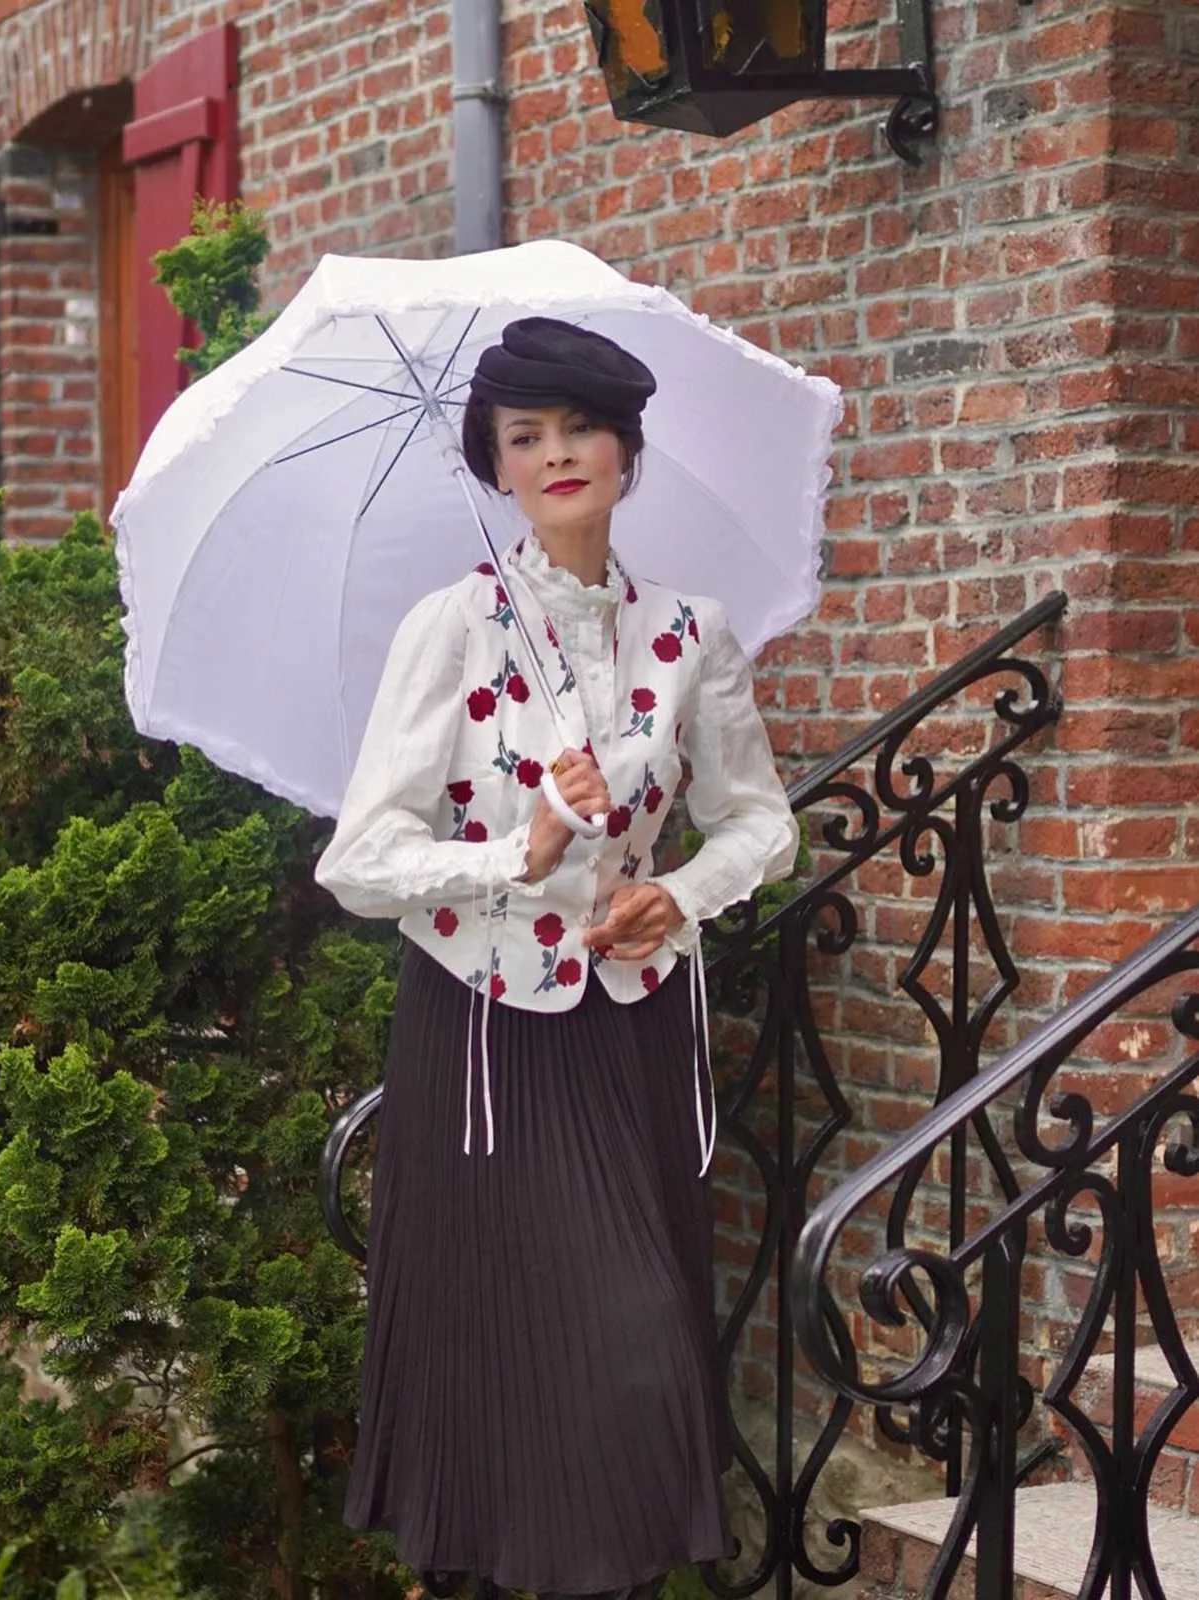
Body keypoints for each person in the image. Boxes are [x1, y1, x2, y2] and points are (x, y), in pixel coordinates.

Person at [315, 317, 800, 1600]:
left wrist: (678, 898)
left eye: (578, 427)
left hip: (628, 1029)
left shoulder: (687, 631)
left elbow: (760, 820)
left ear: (624, 449)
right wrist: (511, 856)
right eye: (523, 437)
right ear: (497, 469)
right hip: (481, 1038)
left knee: (637, 1349)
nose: (555, 454)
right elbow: (359, 859)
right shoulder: (454, 627)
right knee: (510, 1369)